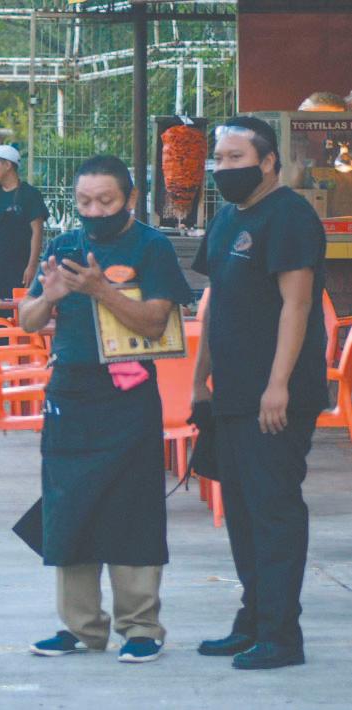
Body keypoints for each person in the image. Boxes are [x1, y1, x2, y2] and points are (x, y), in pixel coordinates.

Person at [16, 156, 192, 663]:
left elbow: (155, 322)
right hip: (71, 393)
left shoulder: (151, 247)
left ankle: (141, 626)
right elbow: (28, 320)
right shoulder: (64, 247)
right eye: (85, 202)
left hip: (129, 395)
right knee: (68, 506)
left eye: (105, 201)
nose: (94, 211)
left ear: (130, 199)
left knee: (132, 506)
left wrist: (100, 290)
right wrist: (48, 297)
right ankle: (80, 626)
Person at [192, 116, 328, 670]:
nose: (223, 168)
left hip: (277, 398)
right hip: (230, 392)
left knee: (273, 511)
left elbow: (298, 304)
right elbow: (214, 303)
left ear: (268, 161)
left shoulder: (290, 216)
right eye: (219, 159)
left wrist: (278, 386)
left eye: (236, 158)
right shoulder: (226, 219)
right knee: (243, 513)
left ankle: (281, 635)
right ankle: (252, 620)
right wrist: (200, 377)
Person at [0, 145, 49, 315]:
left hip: (20, 269)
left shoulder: (29, 195)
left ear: (8, 165)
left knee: (17, 315)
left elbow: (37, 231)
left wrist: (32, 266)